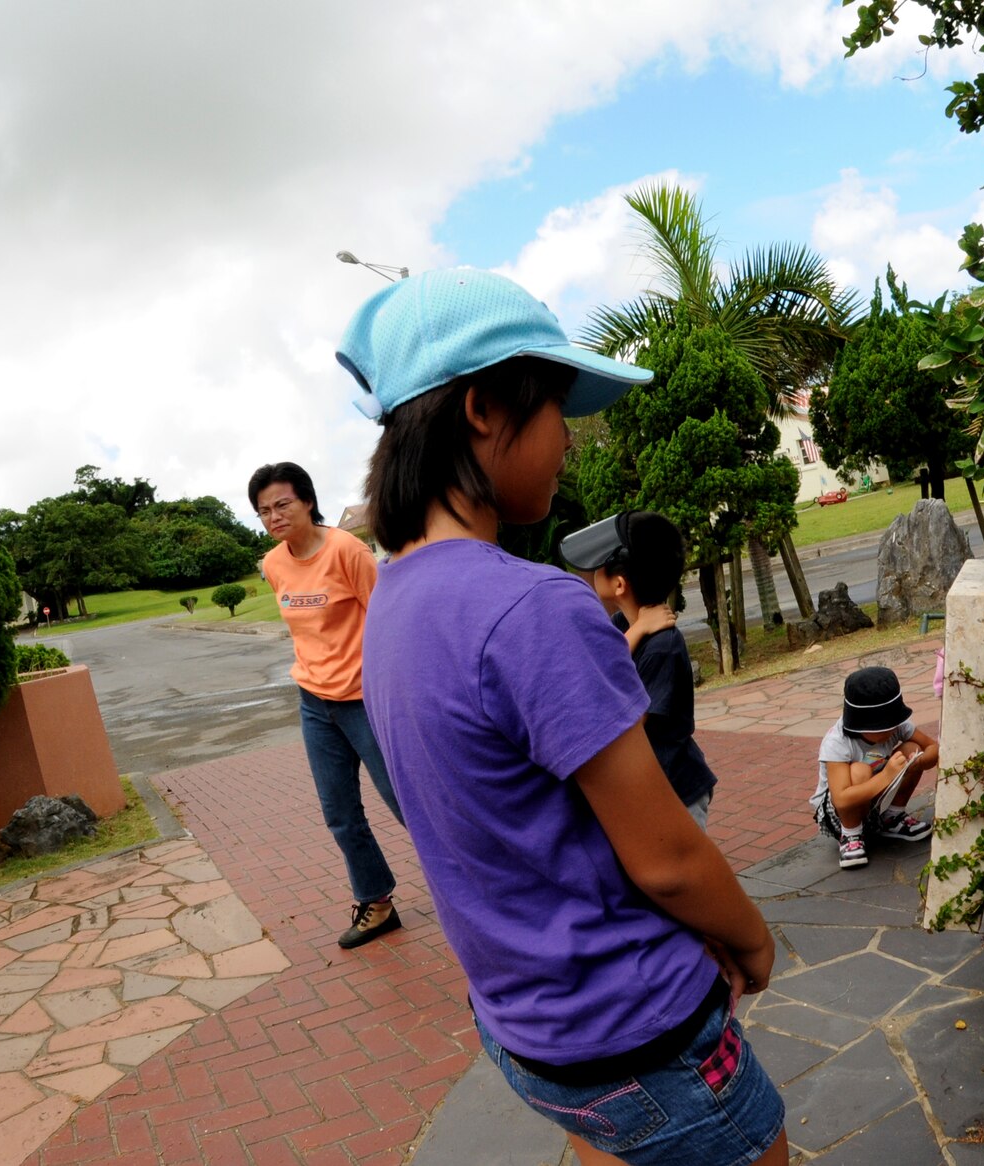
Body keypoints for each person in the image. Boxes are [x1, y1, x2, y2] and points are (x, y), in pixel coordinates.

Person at [344, 267, 788, 1166]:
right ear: (480, 408)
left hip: (524, 1034)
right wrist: (753, 940)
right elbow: (666, 859)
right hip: (636, 1027)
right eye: (555, 408)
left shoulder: (389, 604)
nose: (570, 440)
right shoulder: (533, 607)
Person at [248, 461, 405, 950]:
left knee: (407, 802)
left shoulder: (346, 550)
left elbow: (387, 620)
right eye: (263, 510)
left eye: (281, 504)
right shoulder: (274, 564)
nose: (273, 516)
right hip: (314, 703)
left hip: (366, 701)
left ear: (307, 501)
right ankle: (376, 903)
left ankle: (474, 885)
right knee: (339, 811)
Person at [561, 510, 719, 826]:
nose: (588, 576)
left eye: (596, 569)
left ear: (619, 584)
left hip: (675, 792)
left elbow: (628, 720)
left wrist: (636, 634)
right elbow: (592, 667)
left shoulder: (663, 646)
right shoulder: (624, 625)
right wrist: (635, 632)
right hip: (649, 788)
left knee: (678, 872)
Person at [812, 665, 938, 870]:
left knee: (911, 748)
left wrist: (919, 762)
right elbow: (841, 799)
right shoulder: (838, 742)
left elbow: (933, 748)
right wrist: (887, 775)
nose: (892, 730)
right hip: (839, 815)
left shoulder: (898, 727)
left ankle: (892, 819)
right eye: (883, 726)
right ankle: (851, 836)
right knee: (859, 770)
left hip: (878, 802)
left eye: (893, 723)